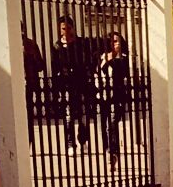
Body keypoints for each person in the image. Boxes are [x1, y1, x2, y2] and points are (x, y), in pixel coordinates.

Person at [52, 14, 91, 151]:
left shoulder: (81, 43)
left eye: (68, 28)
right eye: (63, 29)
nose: (66, 31)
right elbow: (55, 66)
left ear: (73, 28)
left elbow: (88, 61)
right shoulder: (57, 46)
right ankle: (70, 143)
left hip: (81, 82)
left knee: (83, 114)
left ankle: (83, 139)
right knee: (68, 114)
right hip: (66, 83)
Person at [94, 29, 130, 166]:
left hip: (116, 97)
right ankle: (108, 149)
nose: (113, 44)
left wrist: (113, 58)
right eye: (110, 41)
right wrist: (105, 60)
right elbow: (96, 70)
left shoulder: (124, 58)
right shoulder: (100, 56)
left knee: (112, 125)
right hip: (100, 96)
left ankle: (113, 153)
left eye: (116, 41)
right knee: (101, 126)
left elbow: (124, 73)